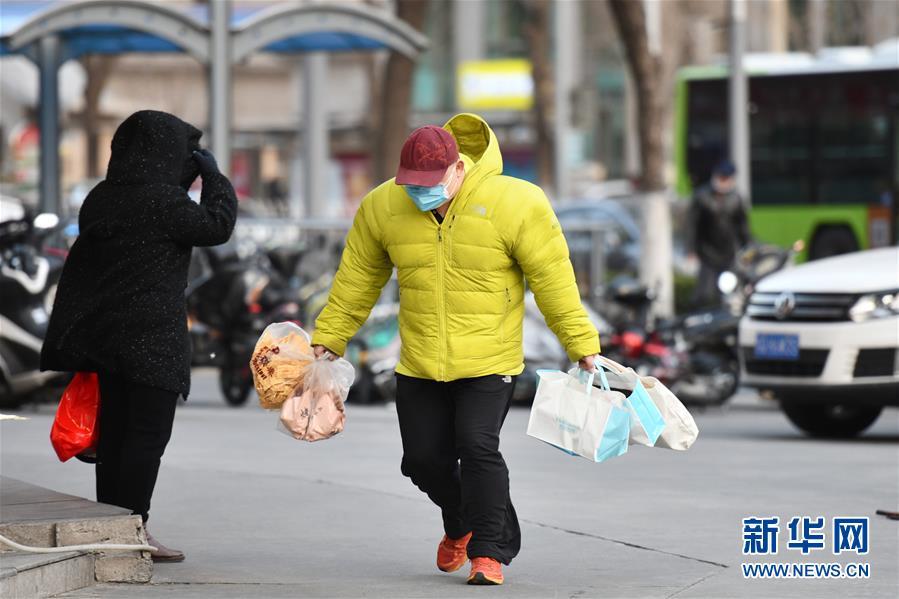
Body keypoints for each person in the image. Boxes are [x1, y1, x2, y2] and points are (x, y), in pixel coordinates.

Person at [310, 114, 600, 585]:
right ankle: (461, 522)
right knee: (422, 460)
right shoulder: (383, 206)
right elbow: (357, 279)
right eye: (412, 183)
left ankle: (490, 552)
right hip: (420, 359)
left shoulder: (516, 202)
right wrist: (330, 337)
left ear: (459, 169)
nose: (419, 191)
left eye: (430, 183)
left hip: (489, 358)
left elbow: (553, 279)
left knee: (478, 446)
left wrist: (581, 345)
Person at [41, 110, 237, 562]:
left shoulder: (101, 197)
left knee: (114, 437)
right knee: (146, 437)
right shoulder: (166, 205)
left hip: (105, 338)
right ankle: (133, 529)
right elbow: (217, 225)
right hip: (152, 341)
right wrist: (213, 175)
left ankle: (111, 528)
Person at [687, 159, 751, 308]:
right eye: (720, 177)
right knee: (704, 295)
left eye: (726, 178)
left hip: (728, 254)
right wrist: (690, 250)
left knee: (727, 291)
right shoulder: (702, 197)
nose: (722, 182)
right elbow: (692, 226)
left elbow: (743, 228)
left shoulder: (736, 199)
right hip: (707, 254)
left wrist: (747, 249)